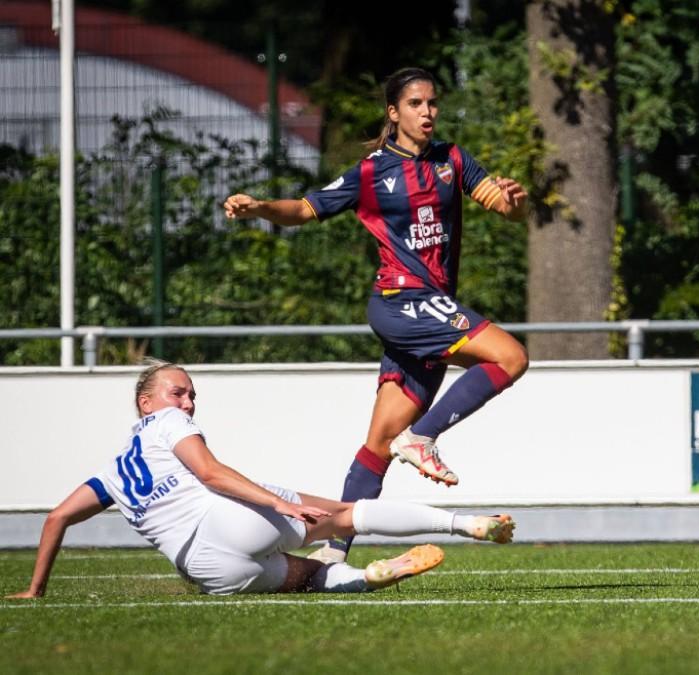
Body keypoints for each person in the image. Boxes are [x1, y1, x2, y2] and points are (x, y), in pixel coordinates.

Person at [222, 67, 530, 564]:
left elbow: (504, 206)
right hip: (401, 301)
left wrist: (517, 203)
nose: (427, 112)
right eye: (415, 104)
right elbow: (304, 209)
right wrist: (259, 207)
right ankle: (424, 436)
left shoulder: (452, 159)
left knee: (379, 445)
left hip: (429, 307)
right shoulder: (371, 171)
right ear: (394, 113)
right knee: (511, 357)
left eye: (432, 103)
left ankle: (332, 553)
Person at [7, 361, 515, 598]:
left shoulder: (112, 473)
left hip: (205, 571)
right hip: (228, 520)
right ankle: (464, 523)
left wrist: (35, 590)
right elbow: (209, 472)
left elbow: (56, 518)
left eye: (192, 396)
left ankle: (367, 578)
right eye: (178, 393)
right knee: (345, 515)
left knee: (310, 577)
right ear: (147, 403)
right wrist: (282, 505)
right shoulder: (165, 423)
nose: (188, 403)